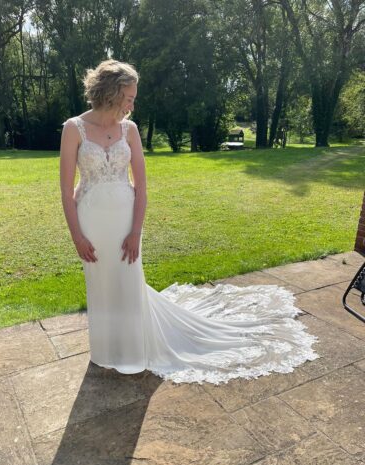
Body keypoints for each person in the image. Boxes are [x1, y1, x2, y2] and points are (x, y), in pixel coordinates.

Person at [60, 59, 318, 385]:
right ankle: (106, 352)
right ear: (110, 93)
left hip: (125, 220)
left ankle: (131, 352)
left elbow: (140, 184)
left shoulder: (131, 130)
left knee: (127, 283)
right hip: (92, 222)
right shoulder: (74, 128)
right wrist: (77, 237)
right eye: (129, 97)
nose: (132, 103)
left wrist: (136, 231)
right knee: (101, 285)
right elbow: (66, 191)